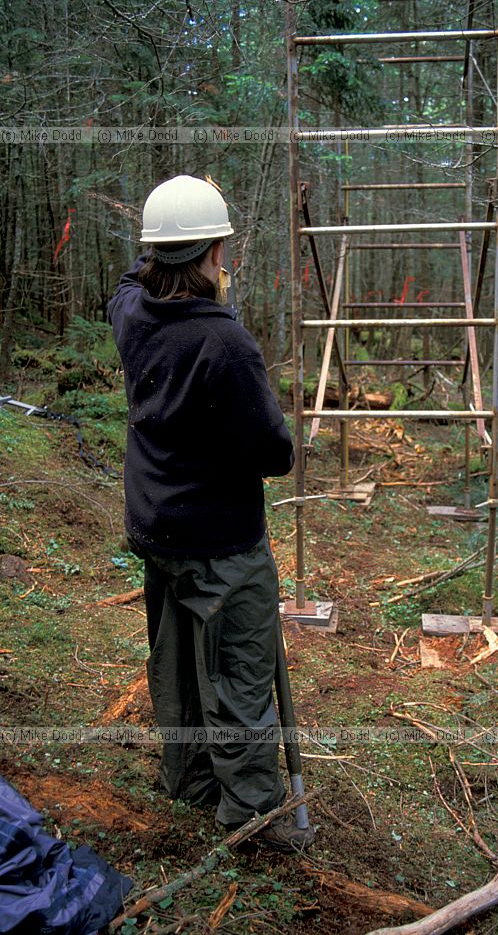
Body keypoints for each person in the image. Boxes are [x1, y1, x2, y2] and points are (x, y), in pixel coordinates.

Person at [108, 174, 314, 851]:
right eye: (219, 249)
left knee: (178, 670)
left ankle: (193, 782)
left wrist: (172, 248)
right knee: (238, 679)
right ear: (211, 254)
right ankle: (253, 816)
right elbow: (274, 454)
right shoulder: (225, 345)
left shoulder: (131, 311)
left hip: (157, 530)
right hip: (223, 546)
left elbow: (130, 278)